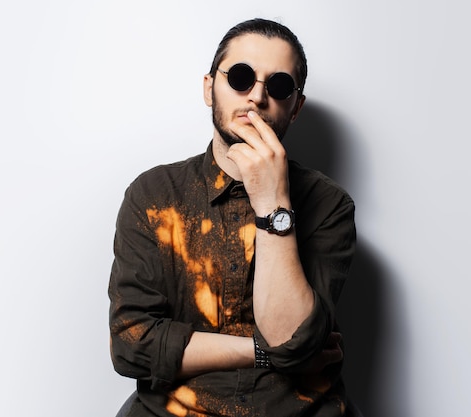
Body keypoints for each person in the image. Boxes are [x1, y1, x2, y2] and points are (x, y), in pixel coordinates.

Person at [108, 18, 359, 417]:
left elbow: (289, 336)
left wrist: (273, 203)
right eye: (240, 77)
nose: (257, 97)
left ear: (296, 107)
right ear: (210, 89)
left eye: (277, 86)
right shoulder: (154, 195)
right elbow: (132, 345)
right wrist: (263, 352)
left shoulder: (329, 205)